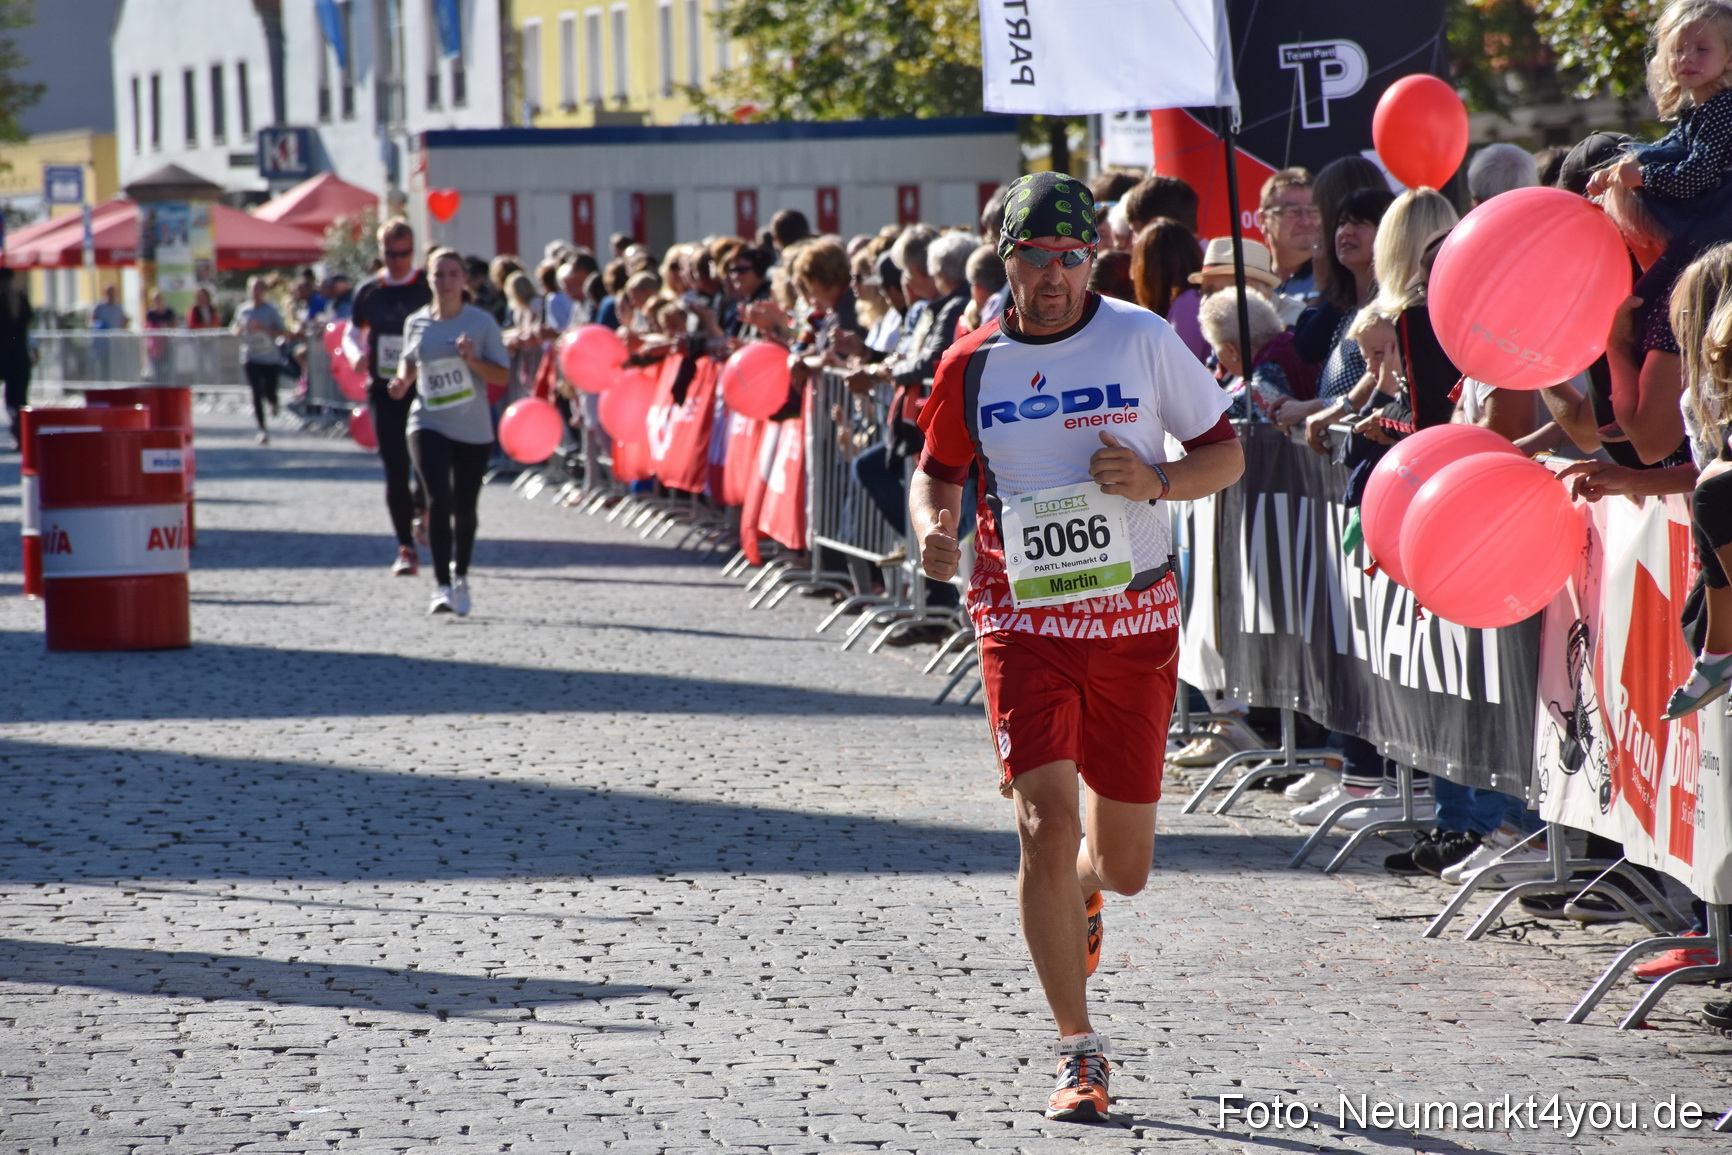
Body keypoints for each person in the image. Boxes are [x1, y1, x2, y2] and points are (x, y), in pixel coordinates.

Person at [912, 172, 1243, 1122]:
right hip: (1022, 620)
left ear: (1093, 257)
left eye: (1071, 257)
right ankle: (1078, 1050)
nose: (1053, 276)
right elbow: (936, 475)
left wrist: (1154, 480)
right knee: (1044, 825)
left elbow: (1227, 453)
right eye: (1033, 256)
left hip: (1135, 622)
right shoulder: (971, 363)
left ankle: (1084, 888)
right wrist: (934, 531)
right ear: (1004, 256)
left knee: (1122, 864)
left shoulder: (1141, 336)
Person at [1592, 1, 1732, 439]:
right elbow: (1667, 148)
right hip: (1698, 234)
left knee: (1653, 300)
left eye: (1701, 49)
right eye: (1678, 49)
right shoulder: (1699, 110)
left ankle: (1653, 408)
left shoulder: (1724, 108)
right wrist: (1620, 171)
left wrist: (1643, 176)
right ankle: (1641, 405)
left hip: (1712, 234)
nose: (1687, 58)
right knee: (1646, 296)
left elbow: (1697, 173)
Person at [390, 248, 511, 616]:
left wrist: (472, 360)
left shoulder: (481, 323)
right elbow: (408, 364)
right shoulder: (417, 322)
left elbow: (502, 376)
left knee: (465, 507)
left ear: (464, 281)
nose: (444, 281)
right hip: (428, 421)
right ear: (428, 279)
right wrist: (400, 383)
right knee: (438, 499)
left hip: (472, 427)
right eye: (438, 274)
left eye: (452, 274)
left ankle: (460, 575)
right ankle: (441, 586)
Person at [350, 217, 435, 575]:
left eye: (403, 254)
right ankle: (405, 547)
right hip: (384, 390)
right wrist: (355, 353)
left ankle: (423, 507)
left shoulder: (426, 288)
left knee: (429, 463)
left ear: (412, 252)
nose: (397, 260)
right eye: (390, 253)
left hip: (426, 388)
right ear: (381, 252)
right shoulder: (369, 291)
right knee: (395, 467)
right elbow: (353, 333)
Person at [1197, 289, 1318, 419]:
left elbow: (1228, 410)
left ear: (1231, 349)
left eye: (1215, 346)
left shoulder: (1270, 369)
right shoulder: (1293, 344)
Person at [1129, 218, 1206, 361]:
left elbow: (1179, 371)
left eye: (1136, 263)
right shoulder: (1187, 301)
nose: (1132, 276)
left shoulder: (1187, 302)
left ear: (1149, 269)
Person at [1254, 168, 1320, 317]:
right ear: (1263, 219)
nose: (1306, 221)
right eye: (1293, 212)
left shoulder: (1335, 280)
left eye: (1313, 211)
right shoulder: (1251, 281)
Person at [232, 276, 287, 444]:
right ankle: (262, 429)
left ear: (264, 291)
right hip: (250, 356)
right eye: (253, 289)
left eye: (259, 289)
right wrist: (237, 330)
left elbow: (282, 332)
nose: (255, 292)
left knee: (269, 391)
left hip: (270, 357)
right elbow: (234, 327)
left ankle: (273, 401)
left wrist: (264, 329)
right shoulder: (243, 310)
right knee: (256, 392)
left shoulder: (271, 310)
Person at [0, 268, 33, 450]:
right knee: (19, 400)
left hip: (5, 356)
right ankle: (22, 436)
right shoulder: (21, 298)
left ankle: (19, 433)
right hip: (20, 355)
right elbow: (29, 327)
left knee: (13, 401)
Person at [143, 289, 177, 384]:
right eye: (155, 299)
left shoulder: (169, 312)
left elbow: (174, 325)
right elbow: (148, 328)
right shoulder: (150, 314)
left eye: (159, 298)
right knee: (157, 372)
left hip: (168, 346)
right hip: (155, 348)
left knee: (168, 370)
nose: (157, 300)